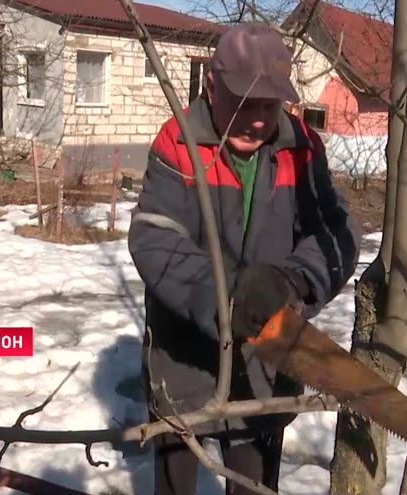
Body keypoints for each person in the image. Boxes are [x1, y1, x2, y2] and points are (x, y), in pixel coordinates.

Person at [127, 21, 362, 495]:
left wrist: (292, 281)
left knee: (254, 486)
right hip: (183, 361)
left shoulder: (302, 148)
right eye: (243, 103)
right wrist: (224, 297)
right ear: (211, 86)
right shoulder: (179, 143)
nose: (257, 119)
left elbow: (337, 232)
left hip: (265, 364)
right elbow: (155, 238)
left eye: (268, 105)